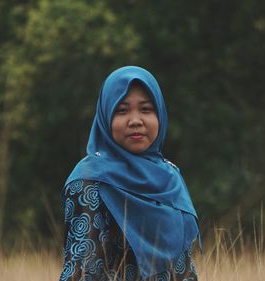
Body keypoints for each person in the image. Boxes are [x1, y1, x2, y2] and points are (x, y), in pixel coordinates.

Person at [59, 66, 200, 281]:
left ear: (160, 115)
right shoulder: (89, 179)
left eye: (146, 109)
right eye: (122, 110)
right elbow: (83, 269)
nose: (135, 120)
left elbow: (184, 268)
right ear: (106, 116)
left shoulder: (171, 178)